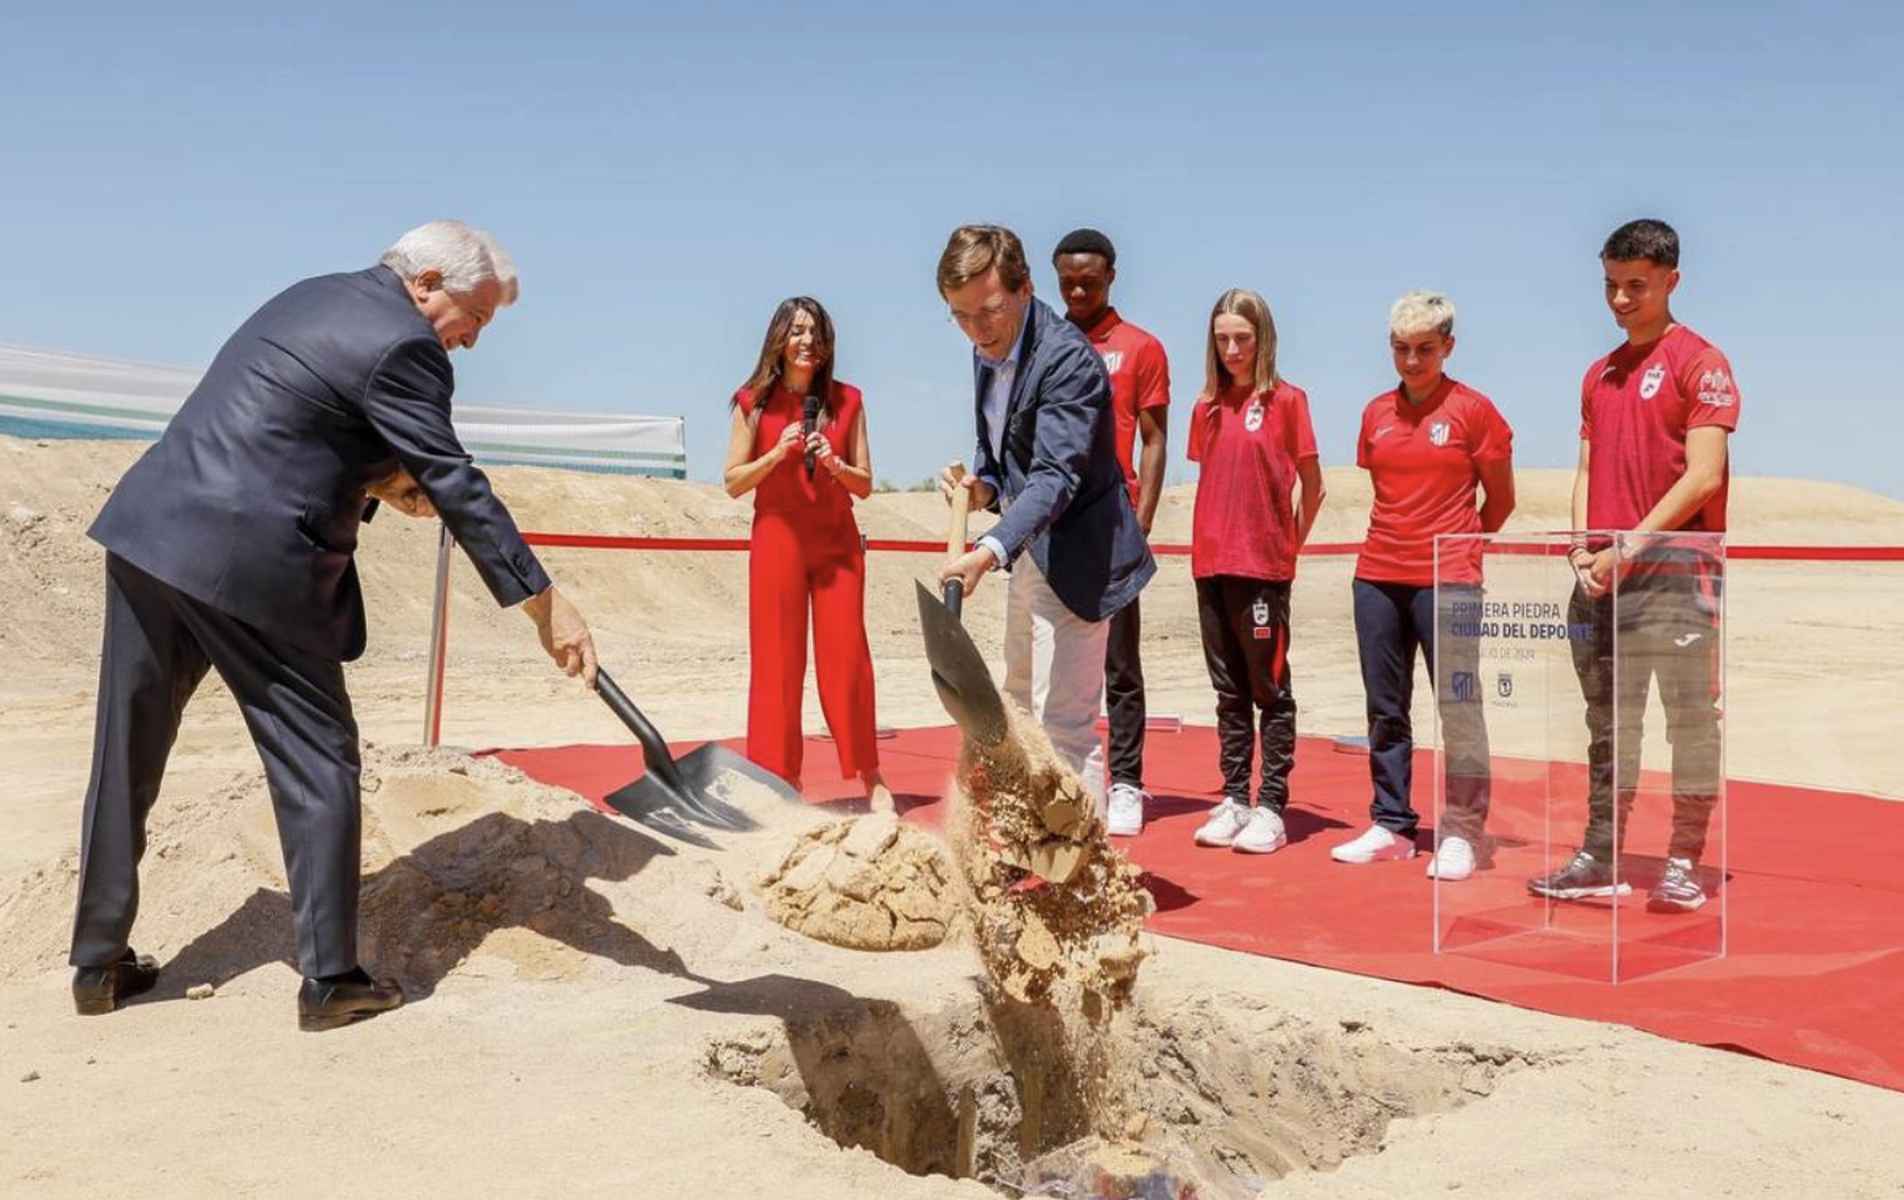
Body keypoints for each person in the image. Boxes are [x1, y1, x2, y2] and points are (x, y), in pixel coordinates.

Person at [70, 221, 598, 1031]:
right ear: (426, 281)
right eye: (474, 318)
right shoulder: (406, 346)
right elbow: (454, 479)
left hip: (152, 530)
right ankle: (330, 979)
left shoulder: (315, 294)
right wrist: (543, 600)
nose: (471, 340)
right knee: (318, 757)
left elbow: (290, 421)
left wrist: (382, 482)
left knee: (127, 749)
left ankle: (98, 964)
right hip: (250, 563)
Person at [1529, 218, 1738, 913]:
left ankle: (1683, 860)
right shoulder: (1599, 374)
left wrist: (1630, 547)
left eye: (1636, 287)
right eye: (1611, 286)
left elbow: (1703, 475)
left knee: (1690, 721)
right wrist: (1583, 550)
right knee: (1608, 724)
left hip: (1677, 577)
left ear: (1671, 281)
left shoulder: (1701, 363)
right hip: (1602, 580)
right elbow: (1587, 466)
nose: (1620, 300)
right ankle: (1599, 852)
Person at [935, 225, 1155, 810]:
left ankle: (1084, 883)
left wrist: (986, 551)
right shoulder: (986, 349)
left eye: (989, 311)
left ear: (1027, 289)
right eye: (959, 316)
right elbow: (1005, 448)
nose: (977, 331)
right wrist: (982, 488)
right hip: (1030, 548)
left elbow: (1056, 476)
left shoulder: (1070, 362)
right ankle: (1024, 850)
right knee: (1017, 709)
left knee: (1066, 728)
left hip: (1082, 557)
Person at [1330, 292, 1514, 879]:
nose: (1412, 361)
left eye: (1425, 350)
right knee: (1386, 708)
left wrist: (1461, 546)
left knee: (1459, 707)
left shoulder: (1474, 411)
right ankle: (1392, 823)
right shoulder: (1375, 413)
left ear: (1448, 348)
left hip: (1450, 581)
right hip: (1378, 576)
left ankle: (1461, 829)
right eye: (1401, 349)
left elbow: (1502, 499)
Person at [723, 297, 889, 810]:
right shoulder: (752, 401)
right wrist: (777, 453)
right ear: (778, 338)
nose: (807, 342)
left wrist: (834, 464)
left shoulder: (848, 401)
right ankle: (777, 781)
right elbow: (732, 482)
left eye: (816, 333)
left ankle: (870, 775)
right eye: (797, 331)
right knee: (777, 663)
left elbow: (865, 485)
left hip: (837, 543)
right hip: (777, 542)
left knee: (847, 660)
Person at [1186, 289, 1324, 855]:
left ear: (1262, 337)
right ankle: (1235, 799)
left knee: (1270, 688)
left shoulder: (1289, 401)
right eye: (1223, 339)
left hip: (1263, 565)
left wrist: (1288, 546)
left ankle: (1271, 805)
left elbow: (1313, 487)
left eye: (1242, 338)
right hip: (1210, 562)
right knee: (1228, 691)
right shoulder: (1207, 406)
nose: (1233, 349)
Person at [1051, 228, 1170, 838]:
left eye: (1088, 281)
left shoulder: (1140, 348)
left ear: (1111, 277)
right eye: (1067, 280)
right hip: (1053, 523)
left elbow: (1153, 438)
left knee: (1120, 662)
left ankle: (1126, 783)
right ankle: (1060, 777)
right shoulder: (1044, 342)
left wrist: (1142, 521)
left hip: (1115, 524)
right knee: (1056, 662)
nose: (1076, 290)